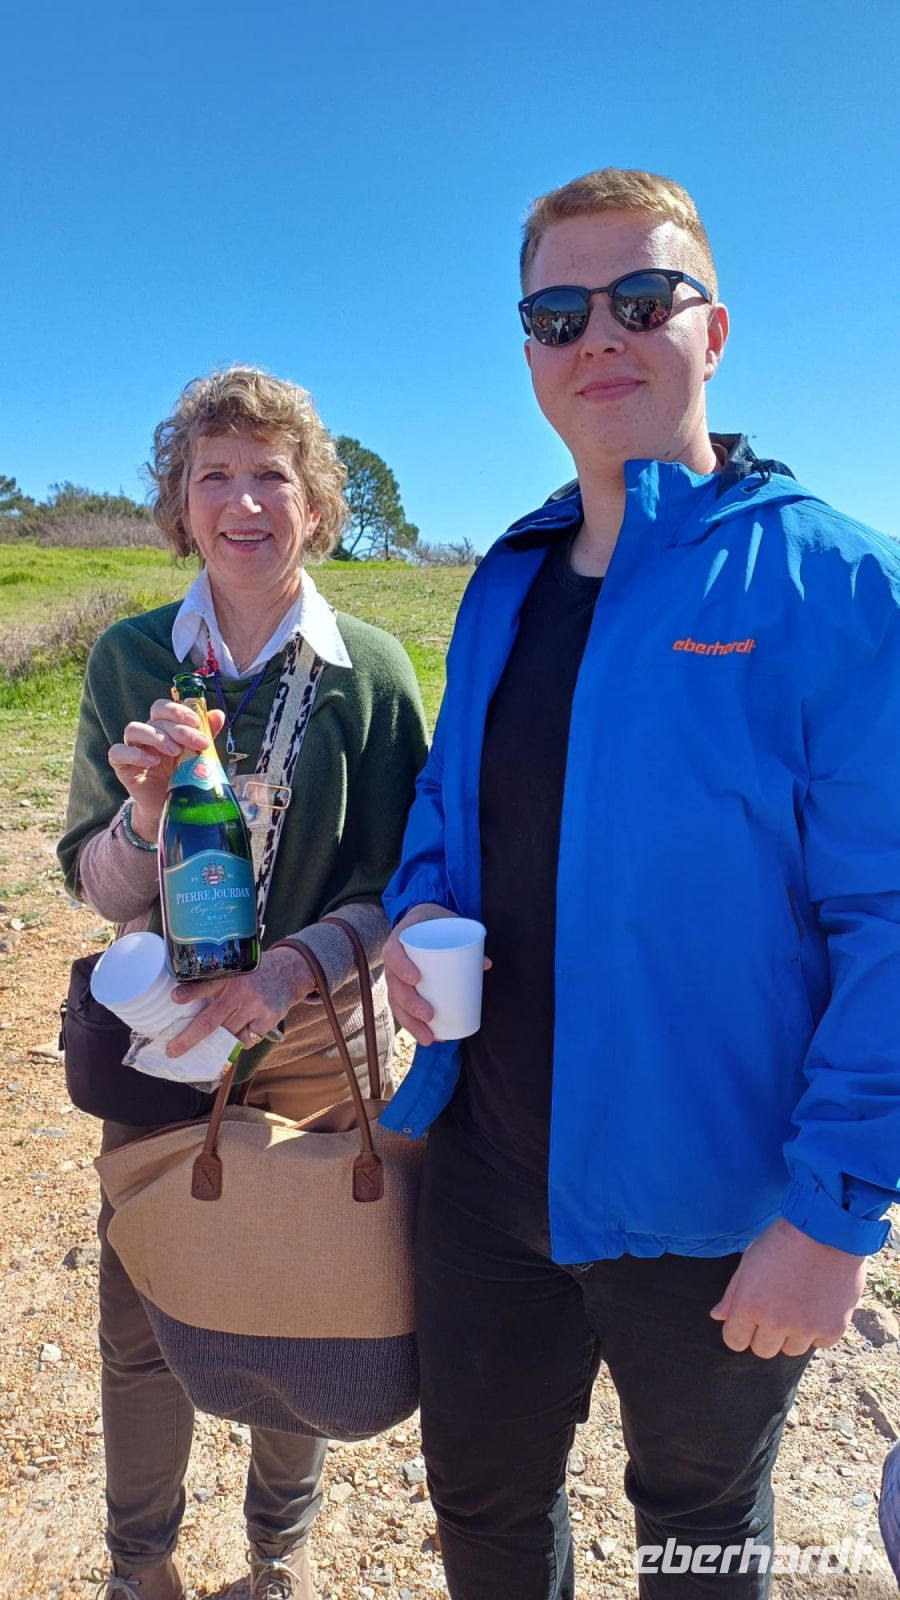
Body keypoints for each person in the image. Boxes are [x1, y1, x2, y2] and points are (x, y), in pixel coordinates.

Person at [380, 167, 900, 1598]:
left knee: (694, 1521)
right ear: (531, 351)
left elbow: (894, 920)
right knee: (484, 1504)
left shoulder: (841, 588)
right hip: (489, 1169)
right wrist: (421, 904)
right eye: (557, 311)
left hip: (720, 1197)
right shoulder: (508, 577)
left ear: (712, 331)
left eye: (640, 298)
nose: (597, 334)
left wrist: (833, 1214)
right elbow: (448, 804)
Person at [58, 365, 428, 1600]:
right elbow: (99, 885)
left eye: (270, 472)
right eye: (213, 473)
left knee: (307, 1310)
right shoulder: (128, 659)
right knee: (141, 1323)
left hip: (322, 1040)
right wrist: (144, 811)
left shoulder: (370, 670)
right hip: (165, 1047)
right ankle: (139, 1568)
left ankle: (277, 1557)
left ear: (315, 503)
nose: (243, 501)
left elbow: (400, 882)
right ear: (180, 504)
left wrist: (292, 967)